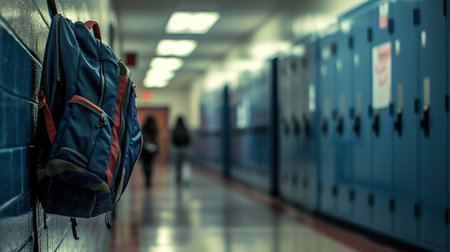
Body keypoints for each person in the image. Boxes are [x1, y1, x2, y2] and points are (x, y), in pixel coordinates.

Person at [171, 116, 191, 184]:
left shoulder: (175, 129)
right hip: (184, 149)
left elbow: (172, 140)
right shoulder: (185, 129)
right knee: (184, 164)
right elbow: (189, 139)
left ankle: (178, 179)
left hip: (177, 149)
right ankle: (185, 179)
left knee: (177, 165)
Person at [141, 116, 158, 188]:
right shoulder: (154, 127)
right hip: (152, 149)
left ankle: (146, 177)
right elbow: (156, 138)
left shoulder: (144, 127)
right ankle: (149, 178)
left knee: (145, 164)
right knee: (150, 164)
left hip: (144, 148)